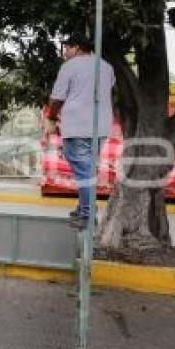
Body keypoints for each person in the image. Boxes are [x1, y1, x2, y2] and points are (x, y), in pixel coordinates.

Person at [46, 35, 115, 229]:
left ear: (76, 47)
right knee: (88, 168)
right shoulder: (106, 66)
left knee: (84, 171)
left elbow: (57, 97)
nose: (65, 53)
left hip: (77, 126)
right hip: (100, 126)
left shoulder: (70, 66)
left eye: (67, 48)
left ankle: (87, 213)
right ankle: (83, 207)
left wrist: (51, 117)